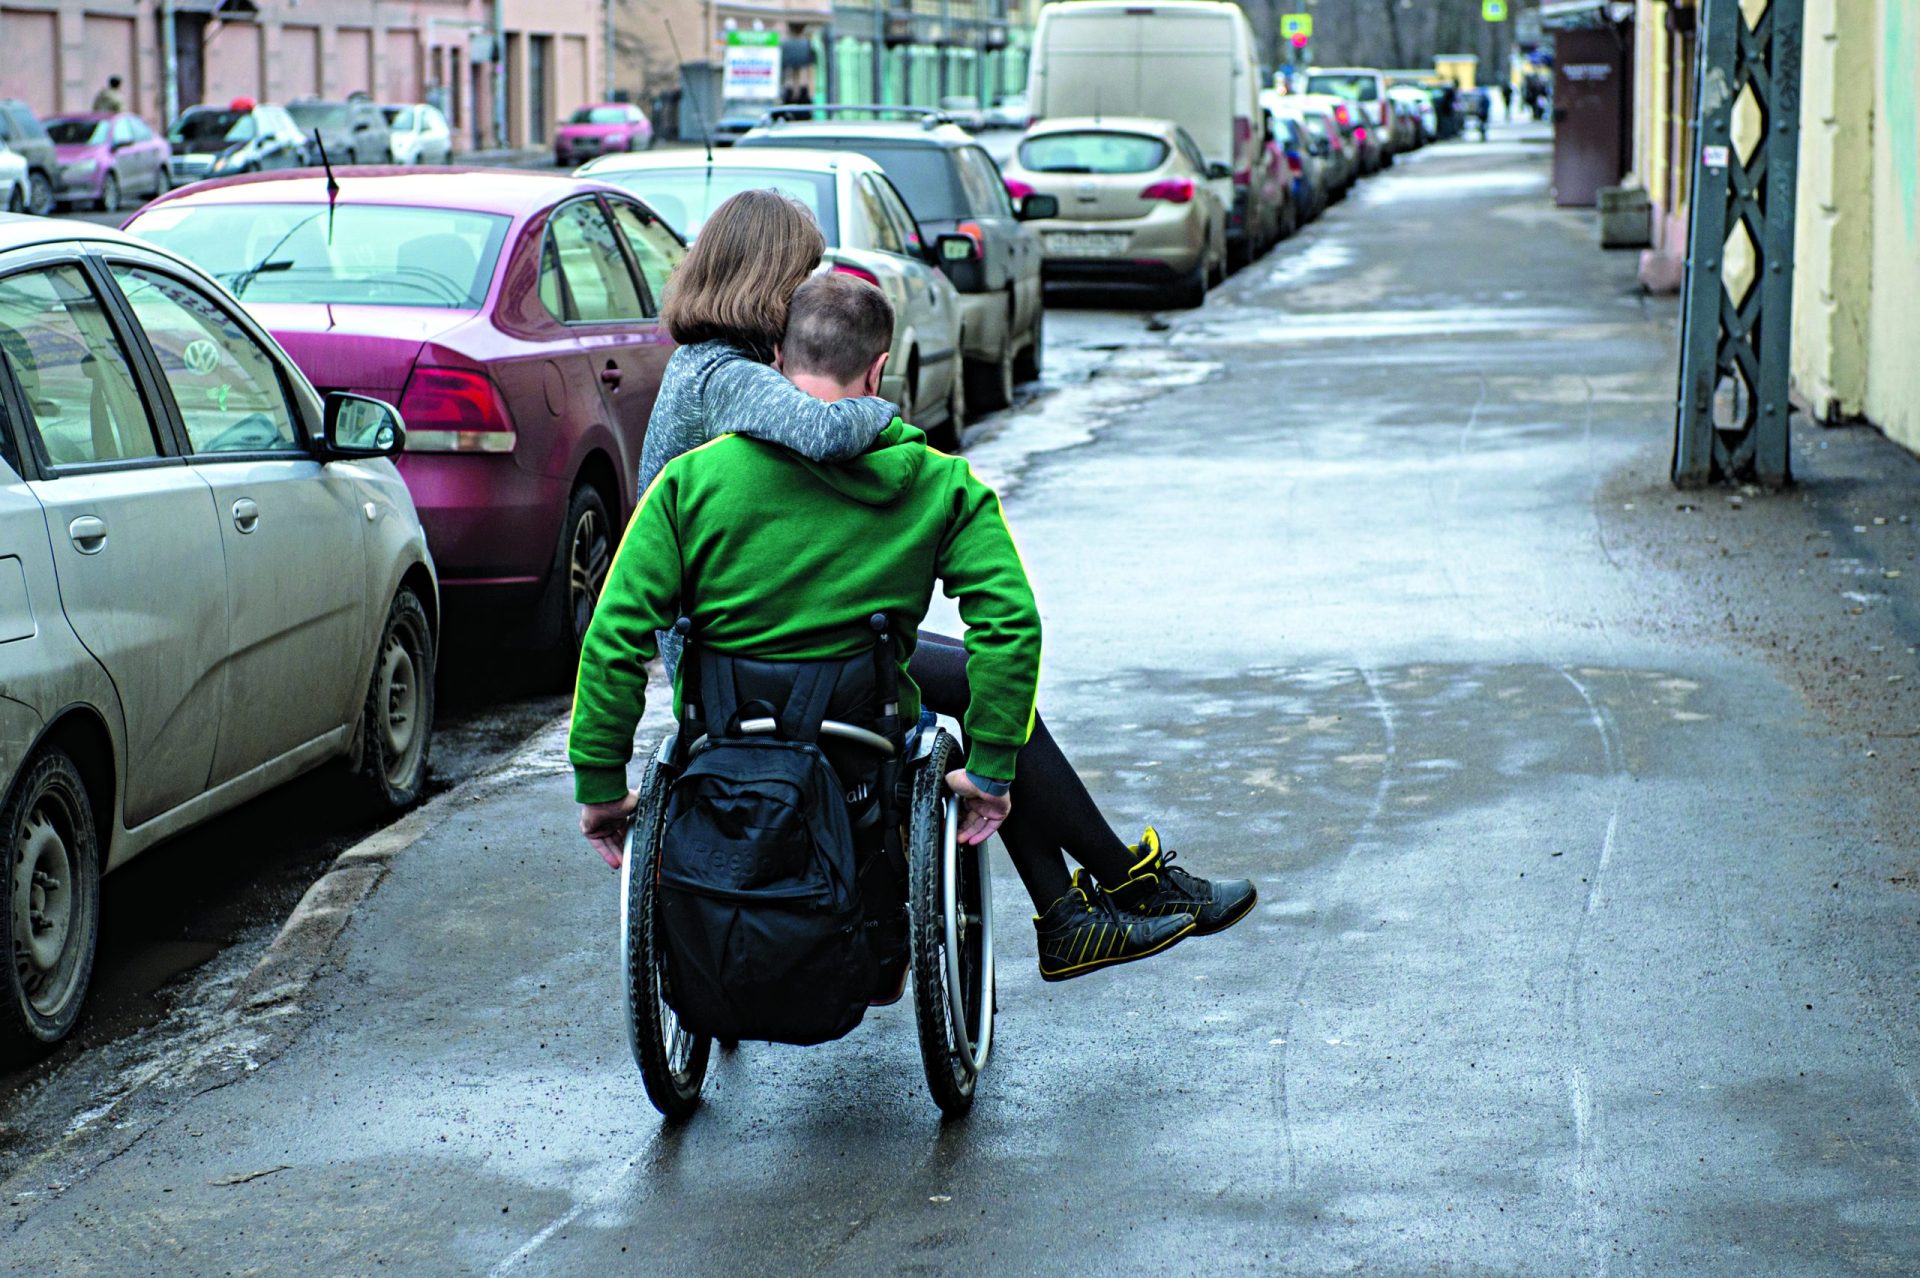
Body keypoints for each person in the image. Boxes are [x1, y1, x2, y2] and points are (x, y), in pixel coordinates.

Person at [607, 190, 1256, 978]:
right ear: (770, 280)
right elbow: (823, 426)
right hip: (745, 660)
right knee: (984, 678)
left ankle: (1082, 903)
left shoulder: (713, 367)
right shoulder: (724, 374)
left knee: (980, 686)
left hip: (757, 637)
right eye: (805, 274)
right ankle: (1106, 891)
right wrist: (881, 408)